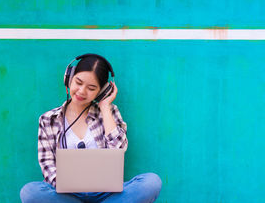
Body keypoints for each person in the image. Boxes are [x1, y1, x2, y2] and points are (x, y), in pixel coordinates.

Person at [20, 54, 162, 203]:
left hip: (107, 193)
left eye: (91, 88)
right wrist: (70, 185)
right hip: (68, 195)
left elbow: (119, 148)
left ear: (101, 92)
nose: (82, 91)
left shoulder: (110, 112)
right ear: (69, 79)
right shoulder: (48, 119)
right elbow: (47, 165)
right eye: (78, 82)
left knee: (151, 183)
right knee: (29, 192)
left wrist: (105, 108)